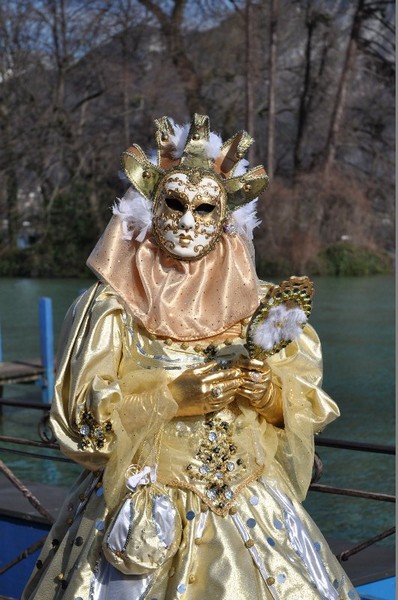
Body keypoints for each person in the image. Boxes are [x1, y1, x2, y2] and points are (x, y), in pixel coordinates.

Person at [23, 114, 359, 600]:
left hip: (252, 507)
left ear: (226, 219)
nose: (186, 221)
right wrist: (171, 398)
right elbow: (81, 428)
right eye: (174, 204)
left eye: (203, 209)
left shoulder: (259, 307)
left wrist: (271, 396)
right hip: (140, 513)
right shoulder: (110, 308)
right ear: (148, 208)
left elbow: (306, 404)